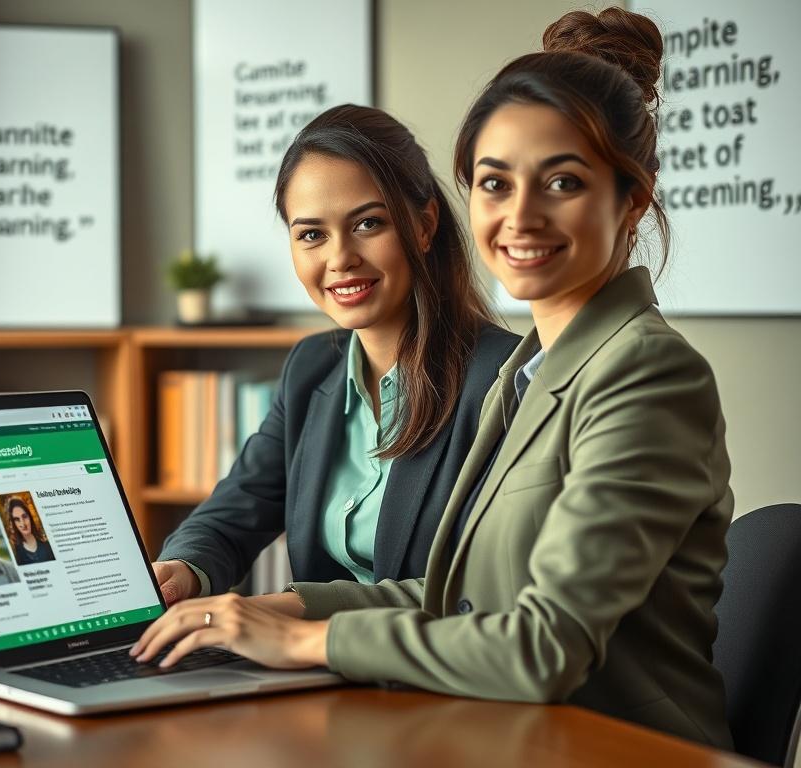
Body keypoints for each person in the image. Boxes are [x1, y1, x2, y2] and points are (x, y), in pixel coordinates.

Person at [132, 8, 734, 749]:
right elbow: (464, 596)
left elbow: (537, 644)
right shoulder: (537, 369)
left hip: (607, 746)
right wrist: (272, 609)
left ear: (630, 199)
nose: (520, 216)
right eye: (493, 182)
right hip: (492, 726)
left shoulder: (644, 371)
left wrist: (301, 636)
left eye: (564, 182)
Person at [152, 105, 519, 605]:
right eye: (311, 235)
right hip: (315, 670)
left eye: (368, 224)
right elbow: (240, 506)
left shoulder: (504, 382)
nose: (339, 258)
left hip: (430, 671)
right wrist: (182, 569)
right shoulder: (311, 368)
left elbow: (481, 592)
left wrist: (291, 611)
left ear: (424, 225)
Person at [6, 496, 55, 566]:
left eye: (24, 516)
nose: (23, 524)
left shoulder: (46, 543)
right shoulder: (16, 553)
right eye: (17, 519)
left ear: (30, 517)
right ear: (14, 524)